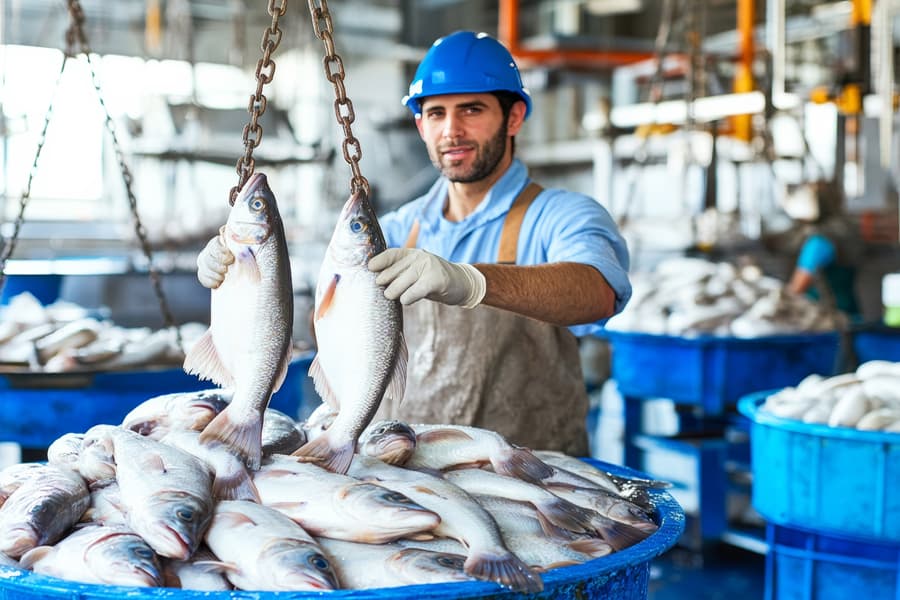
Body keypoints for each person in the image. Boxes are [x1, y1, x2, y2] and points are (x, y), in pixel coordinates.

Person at [197, 30, 631, 456]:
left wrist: (470, 281)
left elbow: (598, 292)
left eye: (472, 110)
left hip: (530, 477)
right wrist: (239, 275)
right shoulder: (394, 229)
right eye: (436, 113)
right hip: (404, 471)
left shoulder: (561, 215)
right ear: (421, 125)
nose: (452, 130)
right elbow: (329, 328)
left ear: (514, 117)